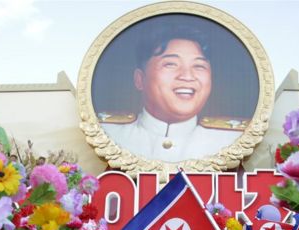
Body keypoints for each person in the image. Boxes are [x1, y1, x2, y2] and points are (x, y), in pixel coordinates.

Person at [100, 26, 247, 162]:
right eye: (170, 64)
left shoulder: (233, 139)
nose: (187, 76)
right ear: (140, 79)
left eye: (199, 66)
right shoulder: (107, 132)